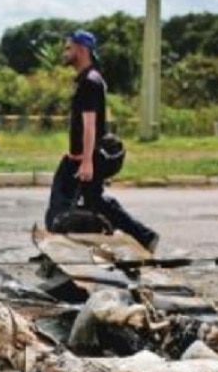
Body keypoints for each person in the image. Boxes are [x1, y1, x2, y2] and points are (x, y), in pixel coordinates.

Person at [44, 30, 159, 251]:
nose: (64, 52)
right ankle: (143, 237)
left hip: (83, 159)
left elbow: (90, 124)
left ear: (81, 49)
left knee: (61, 206)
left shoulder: (90, 81)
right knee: (94, 202)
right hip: (77, 157)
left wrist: (86, 161)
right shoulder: (87, 79)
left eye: (68, 48)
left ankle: (58, 247)